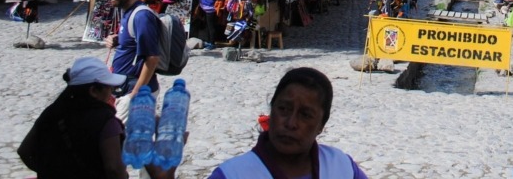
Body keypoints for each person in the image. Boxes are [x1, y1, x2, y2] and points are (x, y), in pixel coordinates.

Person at [18, 56, 180, 179]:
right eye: (108, 88)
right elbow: (114, 169)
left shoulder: (52, 112)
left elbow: (25, 151)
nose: (111, 93)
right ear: (93, 90)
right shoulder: (106, 122)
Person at [208, 67, 368, 179]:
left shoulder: (341, 168)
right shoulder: (233, 174)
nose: (291, 123)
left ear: (321, 125)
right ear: (272, 110)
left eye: (305, 115)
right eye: (283, 109)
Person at [102, 0, 162, 121]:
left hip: (135, 90)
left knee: (122, 141)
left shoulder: (142, 16)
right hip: (125, 87)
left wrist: (135, 94)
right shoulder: (128, 12)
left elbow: (152, 58)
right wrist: (117, 40)